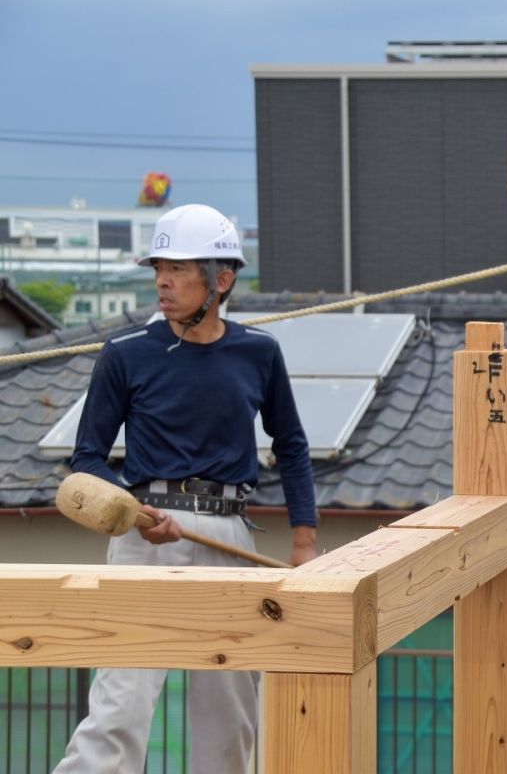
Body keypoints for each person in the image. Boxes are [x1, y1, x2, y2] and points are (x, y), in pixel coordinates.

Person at [55, 204, 318, 774]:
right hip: (143, 532)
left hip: (230, 532)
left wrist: (305, 544)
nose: (162, 282)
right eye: (158, 268)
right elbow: (87, 461)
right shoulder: (125, 354)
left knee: (230, 716)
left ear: (221, 279)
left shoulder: (258, 353)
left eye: (176, 269)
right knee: (119, 704)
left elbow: (291, 445)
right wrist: (132, 512)